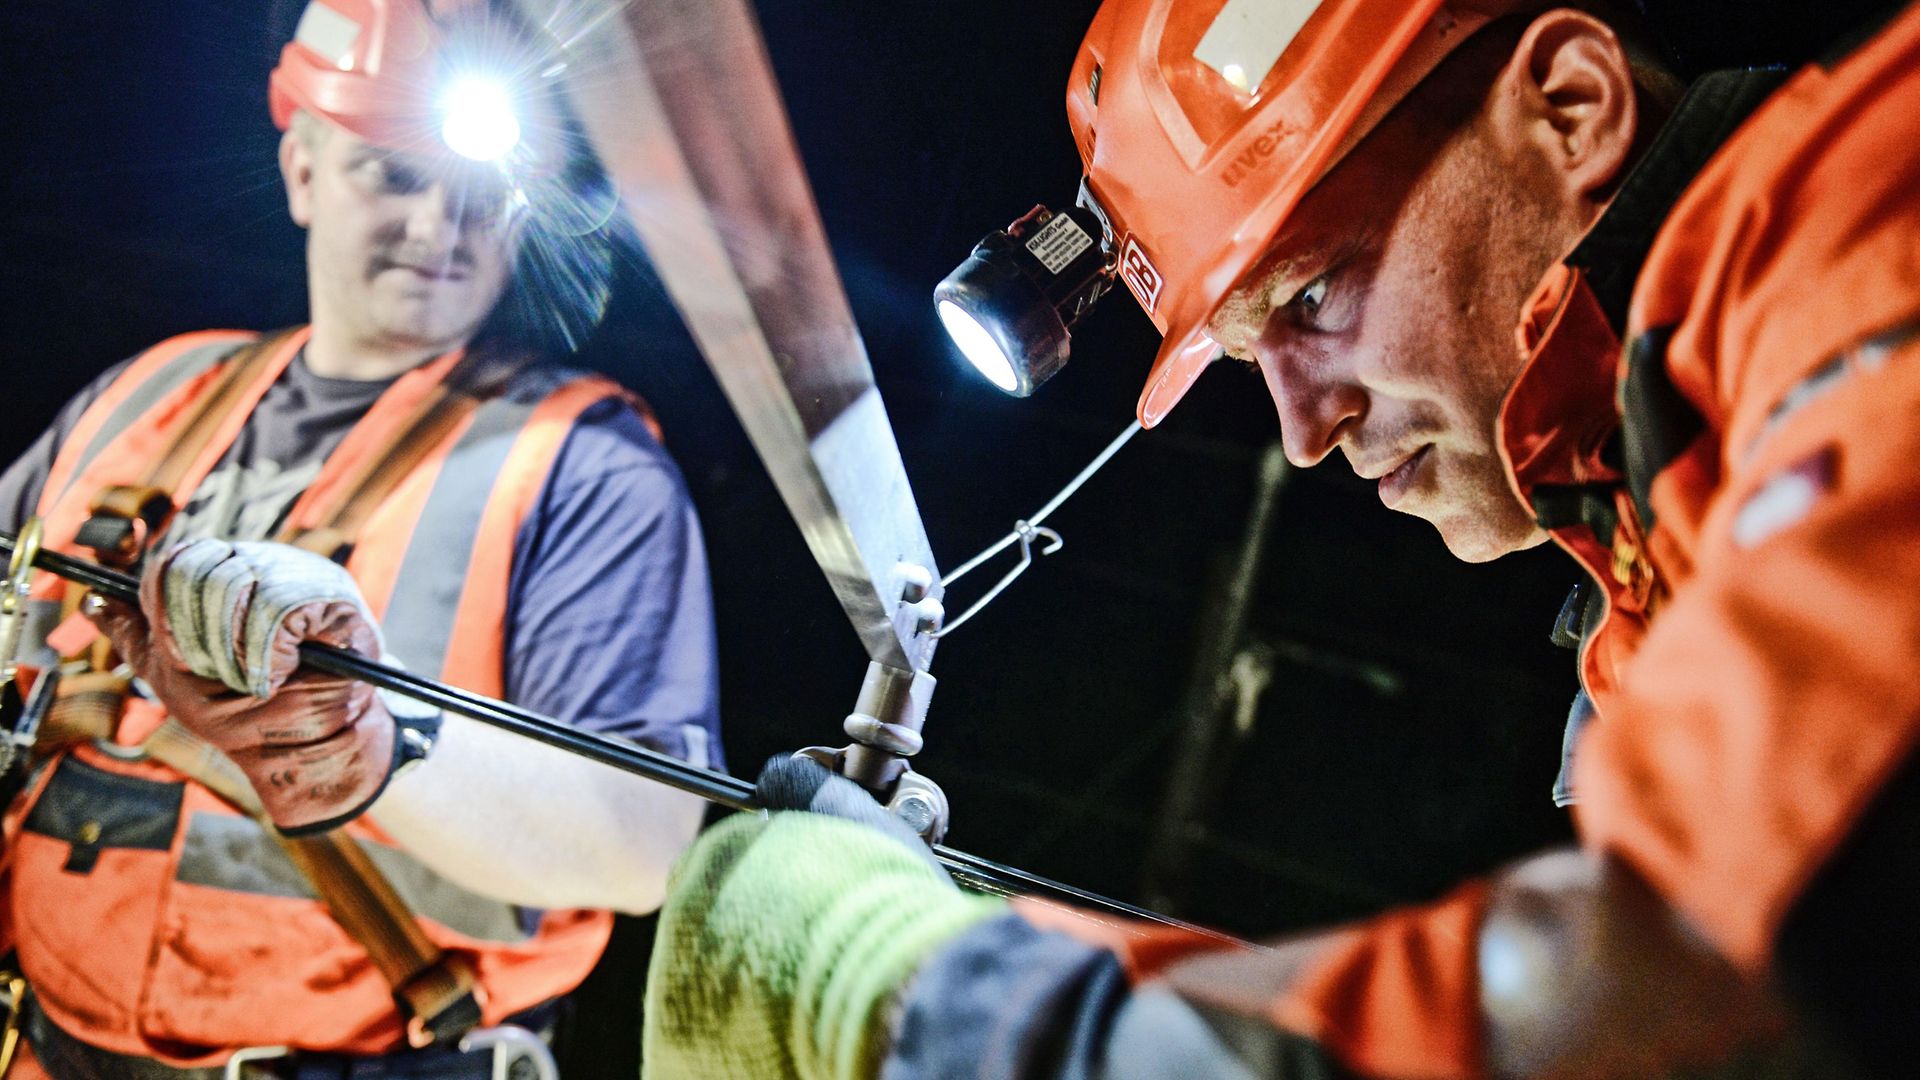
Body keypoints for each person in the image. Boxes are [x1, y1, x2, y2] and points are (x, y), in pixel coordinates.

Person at [643, 0, 1920, 1077]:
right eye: (1255, 353)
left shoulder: (1873, 234)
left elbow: (1689, 989)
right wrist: (984, 944)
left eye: (1314, 292)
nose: (1305, 430)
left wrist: (918, 989)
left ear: (1572, 107)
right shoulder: (1666, 553)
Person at [0, 0, 721, 1075]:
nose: (439, 228)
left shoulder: (584, 469)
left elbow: (640, 844)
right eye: (393, 175)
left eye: (480, 196)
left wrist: (363, 740)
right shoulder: (146, 392)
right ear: (302, 168)